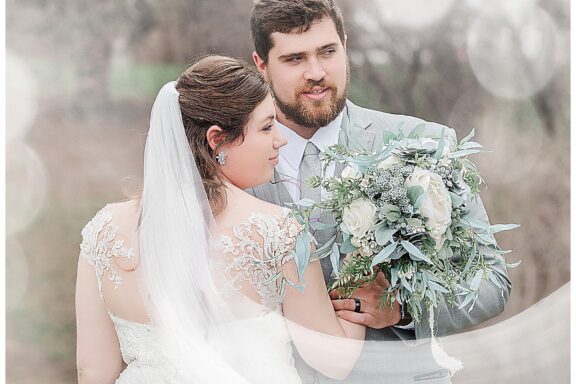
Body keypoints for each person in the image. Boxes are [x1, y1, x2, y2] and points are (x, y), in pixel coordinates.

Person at [248, 0, 512, 382]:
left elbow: (492, 284)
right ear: (261, 64)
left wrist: (403, 307)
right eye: (294, 59)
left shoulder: (423, 143)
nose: (317, 72)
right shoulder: (228, 162)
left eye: (327, 52)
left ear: (345, 44)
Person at [75, 55, 365, 384]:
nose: (279, 140)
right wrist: (363, 279)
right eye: (267, 127)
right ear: (218, 140)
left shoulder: (104, 231)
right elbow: (333, 360)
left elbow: (94, 371)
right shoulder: (280, 233)